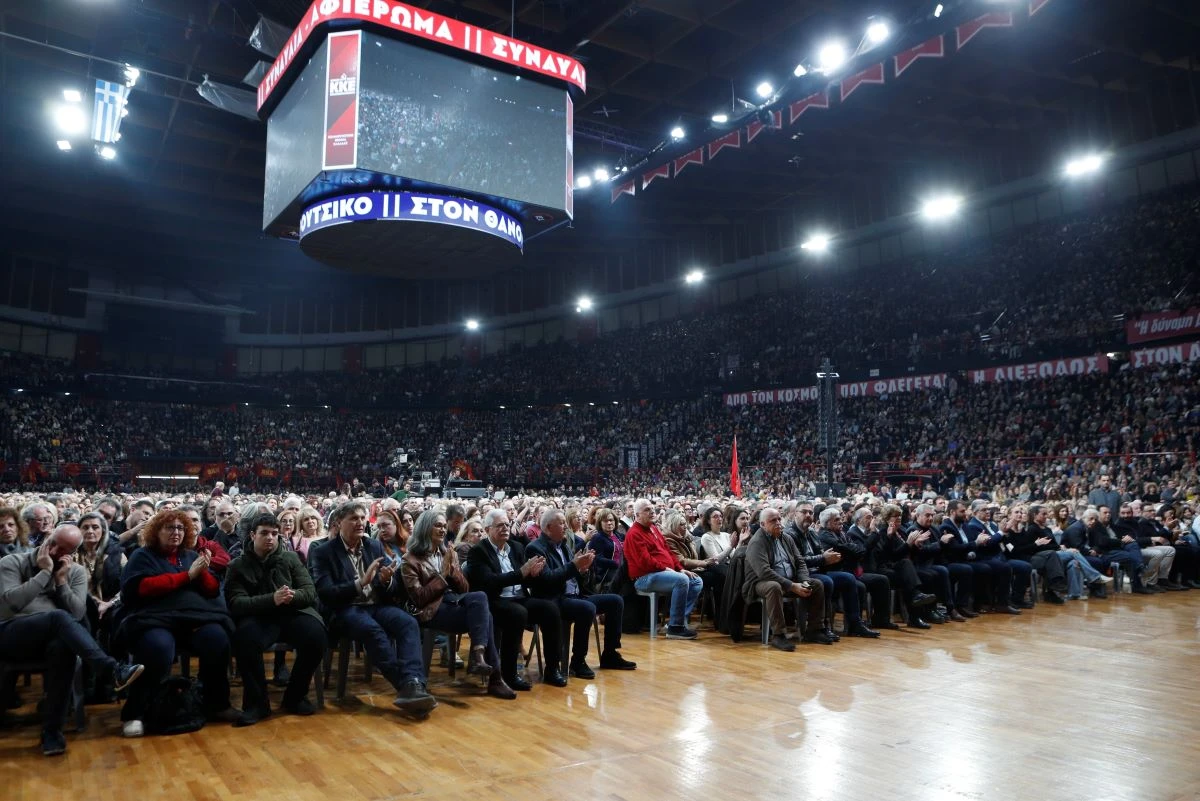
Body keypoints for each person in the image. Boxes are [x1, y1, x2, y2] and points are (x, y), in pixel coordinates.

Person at [0, 525, 144, 756]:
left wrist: (60, 582)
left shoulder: (73, 572)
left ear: (72, 553)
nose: (55, 551)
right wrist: (44, 574)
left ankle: (52, 733)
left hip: (48, 642)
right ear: (47, 538)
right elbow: (9, 605)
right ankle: (111, 670)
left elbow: (77, 615)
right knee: (58, 618)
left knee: (63, 647)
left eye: (64, 550)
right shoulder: (11, 563)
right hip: (9, 634)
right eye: (53, 543)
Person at [117, 510, 239, 737]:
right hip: (155, 618)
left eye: (180, 528)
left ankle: (217, 704)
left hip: (193, 618)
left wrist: (201, 572)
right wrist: (187, 577)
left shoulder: (190, 556)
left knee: (217, 639)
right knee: (158, 647)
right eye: (170, 528)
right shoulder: (142, 556)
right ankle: (136, 712)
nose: (176, 532)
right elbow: (141, 588)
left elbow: (212, 590)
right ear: (156, 531)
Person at [309, 501, 437, 714]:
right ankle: (408, 685)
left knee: (407, 622)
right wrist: (360, 583)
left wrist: (386, 581)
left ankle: (413, 682)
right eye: (354, 518)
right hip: (344, 609)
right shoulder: (323, 552)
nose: (360, 523)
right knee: (372, 630)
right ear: (340, 522)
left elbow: (388, 586)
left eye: (362, 518)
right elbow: (326, 593)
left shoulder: (373, 545)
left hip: (375, 605)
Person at [224, 511, 327, 726]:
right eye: (264, 533)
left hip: (292, 613)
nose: (270, 537)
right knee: (245, 640)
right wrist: (272, 599)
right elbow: (236, 603)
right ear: (252, 535)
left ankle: (295, 697)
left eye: (274, 533)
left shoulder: (290, 558)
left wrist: (292, 596)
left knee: (316, 636)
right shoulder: (238, 565)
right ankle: (256, 704)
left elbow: (309, 592)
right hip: (259, 617)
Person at [401, 510, 515, 699]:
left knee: (480, 599)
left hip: (452, 603)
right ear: (424, 528)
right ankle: (493, 677)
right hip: (430, 611)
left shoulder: (448, 552)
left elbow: (465, 589)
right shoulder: (410, 559)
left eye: (444, 526)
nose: (443, 530)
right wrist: (443, 576)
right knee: (487, 615)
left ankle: (479, 655)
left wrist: (453, 571)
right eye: (438, 525)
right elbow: (419, 598)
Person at [526, 508, 636, 677]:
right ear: (548, 527)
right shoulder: (535, 548)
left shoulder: (563, 545)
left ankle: (610, 654)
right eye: (561, 523)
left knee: (615, 601)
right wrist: (574, 566)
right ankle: (578, 661)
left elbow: (573, 574)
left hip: (575, 594)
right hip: (554, 599)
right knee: (586, 608)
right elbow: (548, 579)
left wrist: (584, 569)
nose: (566, 527)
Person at [465, 508, 563, 688]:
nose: (505, 528)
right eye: (500, 525)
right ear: (487, 530)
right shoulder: (478, 552)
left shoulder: (516, 547)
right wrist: (521, 573)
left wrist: (532, 574)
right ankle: (509, 674)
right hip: (494, 601)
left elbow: (524, 576)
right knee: (517, 613)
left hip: (519, 597)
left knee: (550, 609)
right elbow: (489, 582)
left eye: (507, 524)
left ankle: (552, 669)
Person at [742, 507, 829, 651]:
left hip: (789, 579)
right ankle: (779, 635)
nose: (778, 523)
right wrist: (792, 586)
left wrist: (804, 581)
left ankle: (815, 630)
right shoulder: (757, 541)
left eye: (779, 519)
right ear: (763, 524)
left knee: (817, 584)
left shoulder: (786, 537)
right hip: (759, 582)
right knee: (773, 586)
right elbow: (764, 572)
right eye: (772, 521)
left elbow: (800, 562)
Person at [624, 499, 704, 639]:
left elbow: (667, 552)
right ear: (637, 515)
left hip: (661, 573)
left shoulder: (654, 528)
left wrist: (679, 569)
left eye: (652, 508)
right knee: (682, 580)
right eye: (647, 510)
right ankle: (675, 627)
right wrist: (666, 569)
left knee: (696, 581)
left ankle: (676, 621)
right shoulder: (634, 533)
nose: (652, 511)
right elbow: (645, 562)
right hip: (645, 577)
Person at [1008, 504, 1069, 604]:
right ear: (1009, 515)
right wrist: (1036, 544)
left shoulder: (1022, 529)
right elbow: (1014, 551)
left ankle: (1052, 590)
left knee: (1051, 559)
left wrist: (1035, 545)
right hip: (1019, 559)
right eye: (1016, 512)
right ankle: (1055, 585)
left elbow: (1027, 548)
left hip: (1028, 557)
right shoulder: (1008, 531)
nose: (1020, 514)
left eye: (1021, 512)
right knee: (1051, 556)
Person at [585, 507, 624, 591]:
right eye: (605, 521)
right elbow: (597, 559)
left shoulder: (618, 535)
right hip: (606, 576)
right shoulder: (597, 537)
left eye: (611, 520)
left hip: (621, 573)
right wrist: (617, 563)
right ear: (600, 523)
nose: (609, 523)